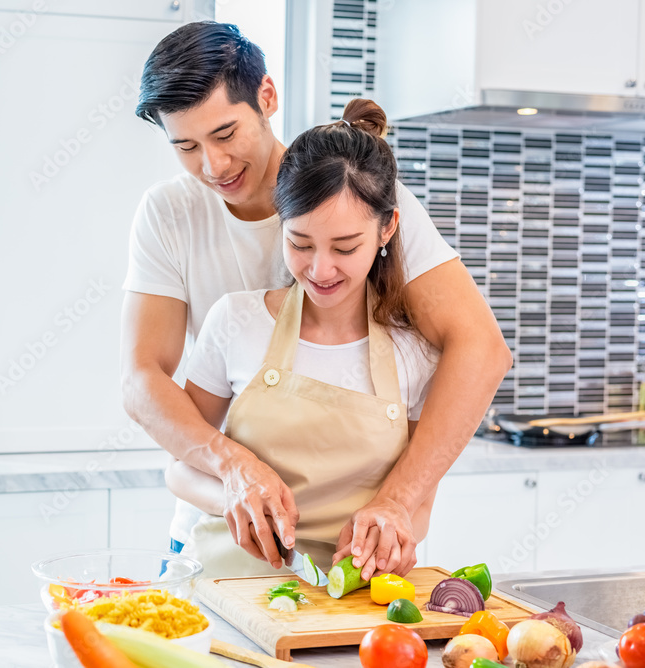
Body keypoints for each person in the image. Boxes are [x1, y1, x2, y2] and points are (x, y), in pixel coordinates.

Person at [120, 22, 511, 580]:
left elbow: (480, 348)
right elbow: (142, 380)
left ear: (267, 98)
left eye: (226, 133)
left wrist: (400, 500)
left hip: (355, 563)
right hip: (223, 538)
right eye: (186, 146)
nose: (214, 165)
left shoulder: (359, 192)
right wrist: (233, 467)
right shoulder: (169, 217)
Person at [164, 98, 439, 577]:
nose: (320, 269)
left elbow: (419, 502)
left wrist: (396, 531)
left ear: (387, 229)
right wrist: (236, 490)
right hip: (229, 588)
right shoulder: (237, 321)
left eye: (345, 247)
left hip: (351, 608)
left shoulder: (413, 351)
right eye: (300, 243)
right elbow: (180, 468)